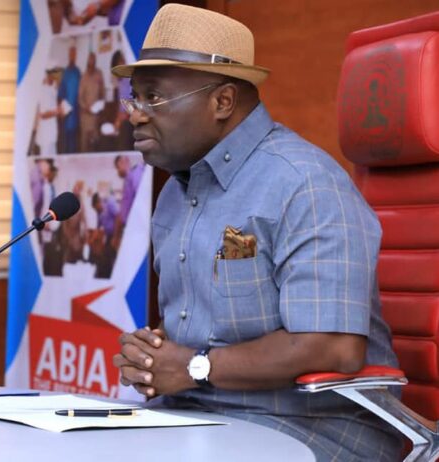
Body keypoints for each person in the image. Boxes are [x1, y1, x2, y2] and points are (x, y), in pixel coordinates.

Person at [110, 4, 402, 462]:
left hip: (315, 426)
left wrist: (193, 367)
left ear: (222, 102)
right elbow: (204, 329)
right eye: (134, 98)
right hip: (202, 415)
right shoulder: (174, 195)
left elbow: (334, 348)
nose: (136, 115)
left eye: (155, 98)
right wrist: (152, 358)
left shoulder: (303, 182)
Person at [111, 155, 144, 250]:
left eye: (118, 168)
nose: (118, 171)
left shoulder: (135, 173)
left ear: (123, 162)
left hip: (136, 226)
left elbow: (140, 198)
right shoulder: (128, 179)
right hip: (130, 226)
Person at [78, 51, 104, 152]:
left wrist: (100, 107)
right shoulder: (83, 77)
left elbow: (102, 93)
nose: (92, 62)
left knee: (94, 143)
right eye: (90, 60)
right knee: (84, 144)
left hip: (96, 116)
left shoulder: (99, 74)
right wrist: (86, 107)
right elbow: (80, 97)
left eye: (93, 60)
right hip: (85, 115)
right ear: (87, 62)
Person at [58, 44, 81, 153]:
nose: (72, 56)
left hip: (75, 112)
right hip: (66, 112)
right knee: (65, 138)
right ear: (69, 55)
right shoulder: (65, 73)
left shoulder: (78, 73)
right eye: (71, 54)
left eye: (74, 54)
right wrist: (62, 109)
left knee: (73, 138)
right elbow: (60, 93)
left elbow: (81, 92)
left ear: (76, 56)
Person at [90, 192, 118, 278]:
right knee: (105, 255)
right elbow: (98, 227)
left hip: (116, 234)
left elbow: (118, 217)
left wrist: (116, 236)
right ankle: (102, 275)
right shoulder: (99, 213)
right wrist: (91, 240)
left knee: (112, 256)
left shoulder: (109, 204)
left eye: (96, 208)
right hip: (108, 236)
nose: (96, 210)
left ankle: (114, 275)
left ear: (98, 202)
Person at [36, 67, 61, 156]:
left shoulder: (53, 88)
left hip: (52, 132)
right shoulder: (42, 90)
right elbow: (42, 115)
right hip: (45, 134)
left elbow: (54, 106)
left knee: (53, 158)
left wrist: (60, 110)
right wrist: (56, 112)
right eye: (52, 74)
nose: (55, 77)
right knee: (45, 158)